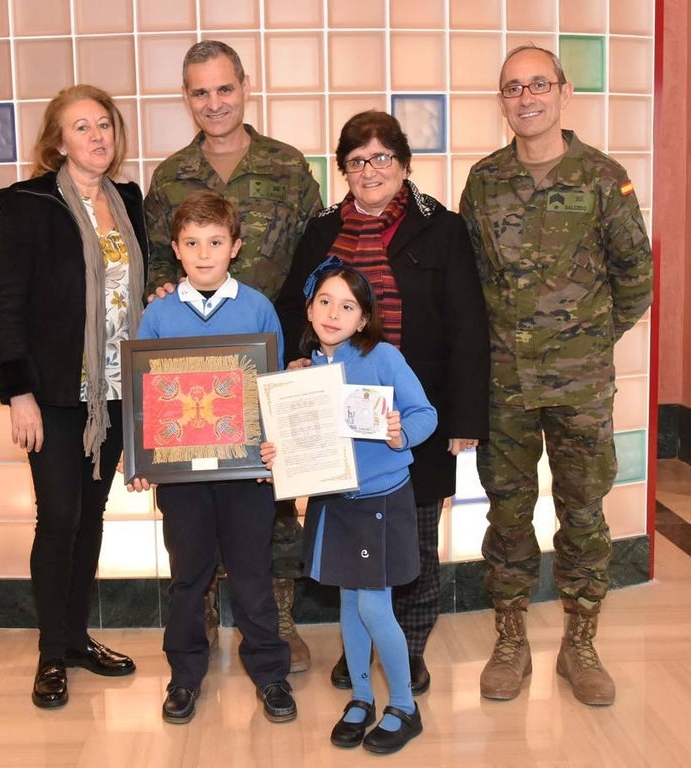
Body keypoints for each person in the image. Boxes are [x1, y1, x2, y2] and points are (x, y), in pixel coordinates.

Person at [459, 45, 653, 706]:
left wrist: (589, 342)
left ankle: (581, 642)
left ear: (562, 92)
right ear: (503, 100)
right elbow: (471, 283)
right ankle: (510, 638)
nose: (526, 97)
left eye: (538, 84)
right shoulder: (484, 182)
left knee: (584, 515)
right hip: (504, 387)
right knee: (508, 515)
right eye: (513, 88)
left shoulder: (603, 178)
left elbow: (636, 280)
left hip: (579, 388)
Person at [276, 110, 489, 696]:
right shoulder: (320, 232)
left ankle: (410, 650)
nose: (370, 171)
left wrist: (466, 418)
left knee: (413, 542)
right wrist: (296, 370)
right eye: (356, 160)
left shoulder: (441, 228)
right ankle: (357, 648)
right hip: (336, 419)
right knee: (348, 540)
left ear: (404, 165)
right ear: (342, 168)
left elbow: (468, 324)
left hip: (413, 412)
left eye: (382, 158)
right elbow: (297, 311)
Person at [144, 38, 323, 670]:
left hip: (265, 358)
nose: (214, 103)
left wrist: (308, 350)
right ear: (186, 98)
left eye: (224, 88)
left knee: (270, 503)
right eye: (200, 92)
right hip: (192, 371)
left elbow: (315, 261)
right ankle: (204, 620)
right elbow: (154, 270)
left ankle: (274, 620)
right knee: (195, 508)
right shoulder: (169, 177)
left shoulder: (288, 166)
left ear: (245, 87)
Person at [0, 84, 146, 709]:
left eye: (103, 124)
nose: (96, 137)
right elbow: (5, 304)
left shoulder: (128, 199)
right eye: (81, 127)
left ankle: (76, 637)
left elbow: (136, 282)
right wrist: (17, 391)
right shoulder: (28, 203)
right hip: (53, 394)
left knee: (92, 517)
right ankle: (52, 652)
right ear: (57, 140)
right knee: (58, 517)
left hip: (113, 393)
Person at [126, 192, 295, 725]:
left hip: (247, 476)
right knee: (188, 578)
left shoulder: (258, 307)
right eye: (193, 243)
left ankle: (270, 674)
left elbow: (273, 385)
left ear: (235, 247)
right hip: (182, 480)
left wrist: (275, 449)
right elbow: (143, 396)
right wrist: (139, 459)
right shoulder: (157, 314)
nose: (204, 254)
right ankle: (184, 677)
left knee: (252, 575)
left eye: (216, 243)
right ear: (176, 249)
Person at [263, 260, 437, 754]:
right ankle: (361, 698)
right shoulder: (304, 371)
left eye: (347, 306)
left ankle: (403, 704)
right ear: (309, 309)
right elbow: (293, 438)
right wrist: (278, 452)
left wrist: (403, 433)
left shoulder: (382, 357)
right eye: (324, 302)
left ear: (363, 318)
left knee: (373, 605)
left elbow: (425, 413)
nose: (333, 313)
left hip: (380, 501)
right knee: (348, 604)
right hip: (333, 502)